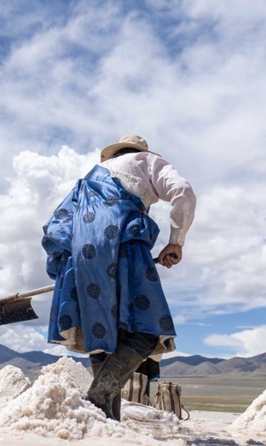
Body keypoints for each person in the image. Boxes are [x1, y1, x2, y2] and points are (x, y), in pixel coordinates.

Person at [41, 134, 196, 420]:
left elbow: (55, 228)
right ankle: (95, 400)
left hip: (80, 259)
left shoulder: (87, 181)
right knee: (147, 333)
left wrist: (63, 272)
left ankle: (106, 421)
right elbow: (183, 190)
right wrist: (176, 241)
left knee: (101, 338)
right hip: (123, 250)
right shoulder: (147, 161)